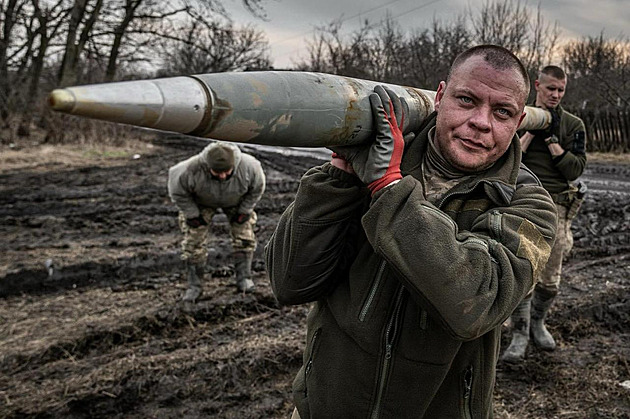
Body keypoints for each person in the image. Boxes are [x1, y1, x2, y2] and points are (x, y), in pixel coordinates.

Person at [265, 45, 557, 418]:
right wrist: (339, 176)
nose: (481, 122)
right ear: (439, 97)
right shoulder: (378, 160)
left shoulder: (529, 205)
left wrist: (388, 188)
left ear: (517, 123)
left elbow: (475, 303)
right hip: (325, 407)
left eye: (501, 112)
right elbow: (291, 282)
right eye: (466, 100)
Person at [501, 66, 588, 363]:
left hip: (558, 206)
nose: (556, 95)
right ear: (538, 85)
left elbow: (575, 170)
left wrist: (552, 141)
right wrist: (526, 133)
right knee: (524, 270)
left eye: (561, 90)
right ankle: (520, 332)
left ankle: (538, 322)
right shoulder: (520, 116)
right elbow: (504, 159)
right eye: (551, 88)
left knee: (550, 278)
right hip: (523, 201)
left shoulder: (573, 125)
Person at [168, 141, 265, 302]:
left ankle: (244, 279)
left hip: (236, 201)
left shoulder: (250, 167)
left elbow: (257, 189)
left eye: (227, 172)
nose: (222, 176)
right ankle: (195, 287)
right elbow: (177, 192)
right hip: (202, 202)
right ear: (207, 167)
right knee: (193, 243)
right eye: (217, 172)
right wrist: (192, 214)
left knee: (245, 239)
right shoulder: (188, 170)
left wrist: (245, 210)